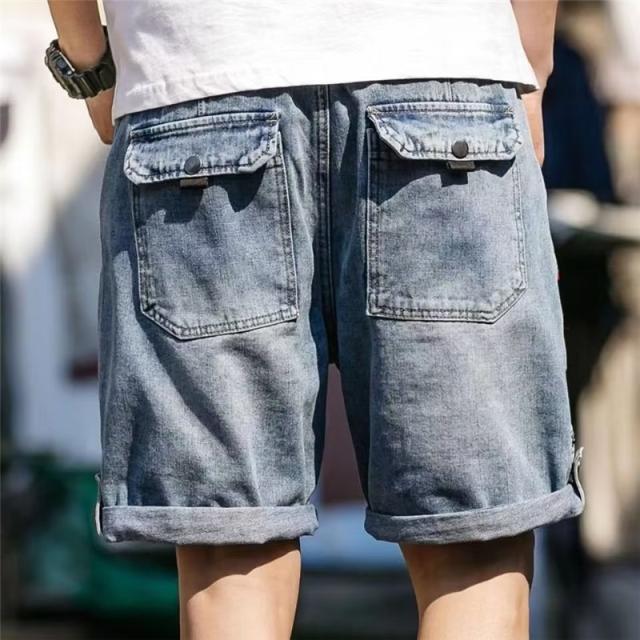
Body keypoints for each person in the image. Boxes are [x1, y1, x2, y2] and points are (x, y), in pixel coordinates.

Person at [44, 1, 586, 638]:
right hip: (446, 74)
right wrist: (529, 65)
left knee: (229, 549)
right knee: (474, 550)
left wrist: (92, 68)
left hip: (197, 79)